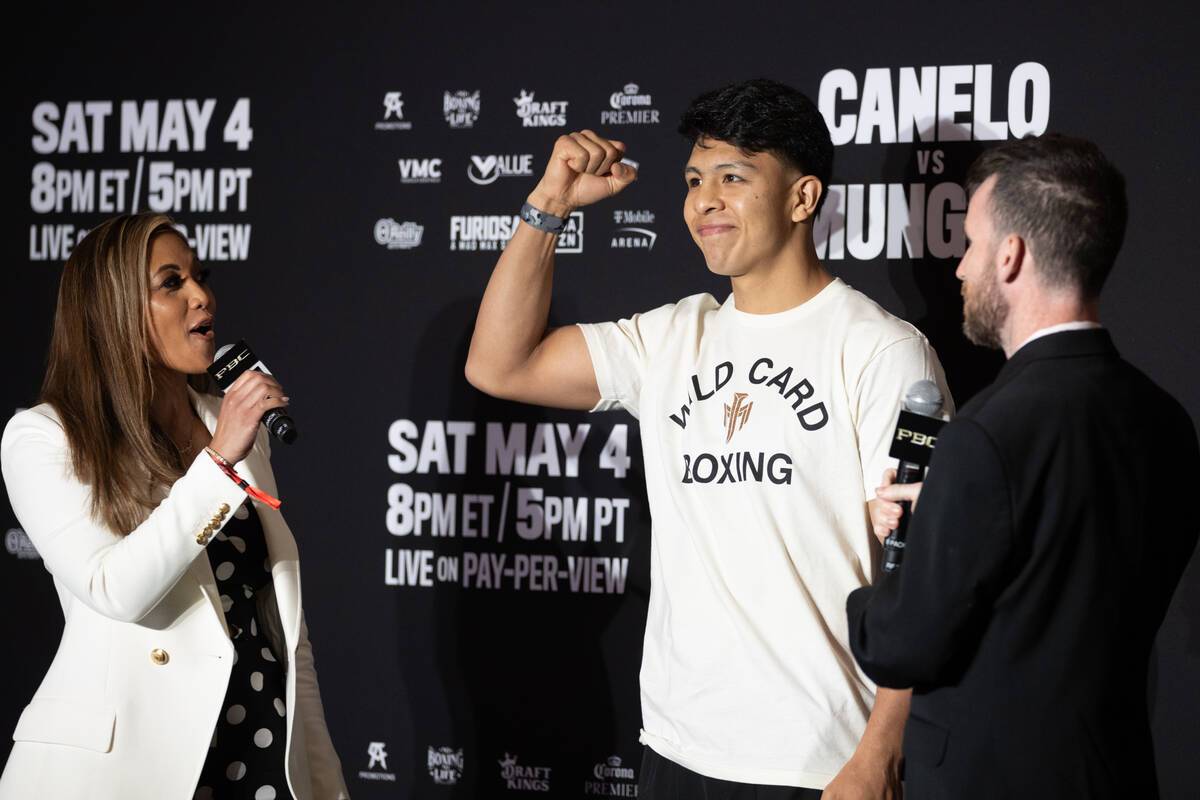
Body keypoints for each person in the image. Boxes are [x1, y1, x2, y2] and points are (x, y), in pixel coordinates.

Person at [466, 77, 951, 799]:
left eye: (734, 177)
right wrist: (551, 204)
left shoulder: (883, 351)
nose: (705, 201)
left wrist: (879, 752)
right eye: (695, 180)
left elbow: (928, 572)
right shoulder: (671, 335)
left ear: (802, 198)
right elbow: (499, 364)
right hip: (676, 747)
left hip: (817, 762)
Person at [847, 133, 1200, 799]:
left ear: (1011, 255)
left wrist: (867, 590)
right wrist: (952, 511)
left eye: (972, 243)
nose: (959, 267)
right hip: (1113, 774)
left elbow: (903, 646)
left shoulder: (985, 433)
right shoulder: (1167, 419)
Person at [0, 213, 349, 800]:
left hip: (259, 746)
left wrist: (326, 785)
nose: (202, 296)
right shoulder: (44, 438)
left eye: (200, 277)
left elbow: (288, 636)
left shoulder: (231, 425)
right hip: (127, 768)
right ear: (113, 311)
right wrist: (215, 462)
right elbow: (117, 589)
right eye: (172, 283)